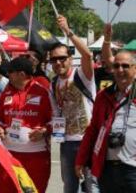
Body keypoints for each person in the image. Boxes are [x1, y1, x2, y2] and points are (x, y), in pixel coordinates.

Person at [75, 51, 136, 193]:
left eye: (125, 66)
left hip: (133, 169)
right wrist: (81, 159)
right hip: (107, 168)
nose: (120, 70)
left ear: (135, 68)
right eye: (116, 66)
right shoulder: (104, 95)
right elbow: (93, 130)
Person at [50, 15, 95, 193]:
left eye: (62, 58)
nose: (58, 62)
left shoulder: (81, 74)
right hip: (66, 142)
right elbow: (56, 113)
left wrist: (68, 31)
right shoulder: (52, 83)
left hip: (88, 140)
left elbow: (88, 54)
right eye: (54, 60)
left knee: (92, 187)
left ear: (70, 58)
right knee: (69, 187)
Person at [0, 57, 52, 193]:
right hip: (9, 155)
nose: (7, 74)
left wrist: (44, 131)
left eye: (10, 72)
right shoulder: (6, 92)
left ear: (21, 74)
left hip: (36, 156)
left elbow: (57, 121)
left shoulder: (43, 92)